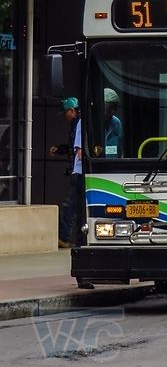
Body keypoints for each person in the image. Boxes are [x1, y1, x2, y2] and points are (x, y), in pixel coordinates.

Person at [49, 97, 93, 289]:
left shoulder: (80, 122)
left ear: (72, 111)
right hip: (78, 170)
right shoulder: (81, 122)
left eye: (66, 113)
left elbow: (79, 151)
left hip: (79, 170)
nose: (65, 117)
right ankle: (69, 236)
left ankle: (64, 237)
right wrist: (60, 149)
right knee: (76, 206)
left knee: (71, 204)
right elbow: (73, 149)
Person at [104, 88, 123, 158]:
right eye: (109, 108)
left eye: (115, 108)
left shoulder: (117, 123)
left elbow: (120, 150)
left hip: (113, 165)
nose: (112, 111)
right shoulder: (87, 122)